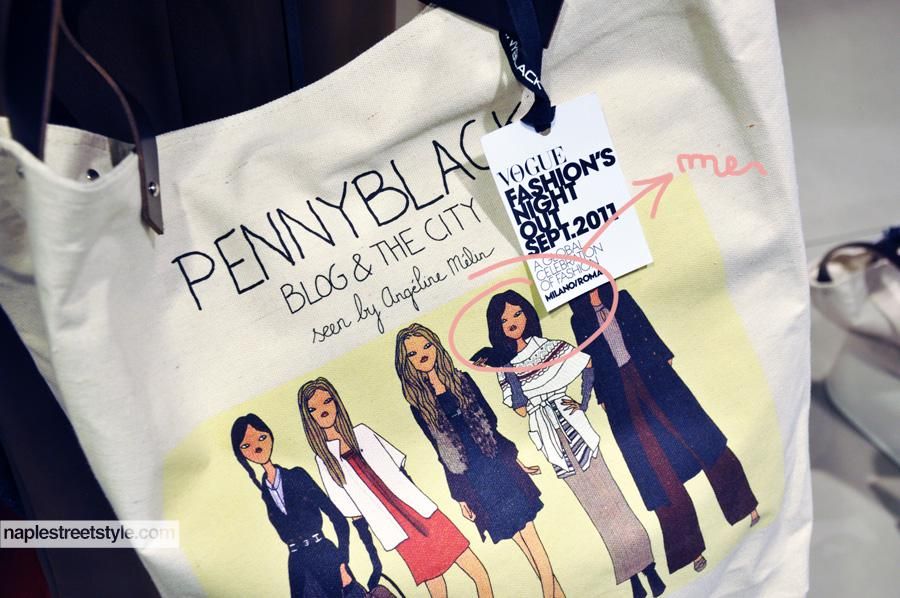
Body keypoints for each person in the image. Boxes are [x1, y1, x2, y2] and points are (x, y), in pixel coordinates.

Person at [475, 290, 665, 598]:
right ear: (497, 327)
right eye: (504, 320)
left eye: (517, 314)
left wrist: (584, 401)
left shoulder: (548, 347)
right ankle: (631, 575)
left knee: (613, 498)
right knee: (595, 509)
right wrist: (510, 372)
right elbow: (520, 409)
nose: (512, 322)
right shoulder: (506, 368)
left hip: (576, 427)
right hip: (551, 439)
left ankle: (650, 567)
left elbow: (586, 365)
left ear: (527, 315)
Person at [569, 286, 760, 575]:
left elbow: (643, 326)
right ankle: (691, 552)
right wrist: (602, 396)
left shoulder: (621, 296)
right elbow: (590, 358)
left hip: (653, 372)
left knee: (700, 437)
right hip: (619, 393)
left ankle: (746, 508)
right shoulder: (579, 319)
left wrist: (663, 354)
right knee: (654, 468)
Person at [395, 323, 564, 598]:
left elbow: (491, 423)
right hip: (474, 480)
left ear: (436, 347)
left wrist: (515, 460)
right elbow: (442, 452)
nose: (422, 354)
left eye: (426, 346)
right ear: (406, 363)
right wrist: (460, 495)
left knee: (532, 539)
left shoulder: (461, 380)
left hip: (498, 464)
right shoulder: (420, 406)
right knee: (521, 541)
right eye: (413, 353)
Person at [298, 377, 494, 598]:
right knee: (437, 589)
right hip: (393, 528)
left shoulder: (362, 433)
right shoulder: (324, 460)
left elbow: (400, 468)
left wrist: (419, 499)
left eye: (327, 401)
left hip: (420, 509)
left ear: (336, 402)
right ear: (309, 417)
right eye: (313, 408)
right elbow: (348, 510)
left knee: (475, 569)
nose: (323, 410)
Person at [230, 413, 366, 597]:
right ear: (241, 454)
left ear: (270, 437)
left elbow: (338, 518)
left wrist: (342, 562)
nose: (257, 447)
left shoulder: (297, 475)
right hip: (297, 565)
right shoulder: (265, 492)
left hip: (324, 556)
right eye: (246, 446)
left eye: (261, 438)